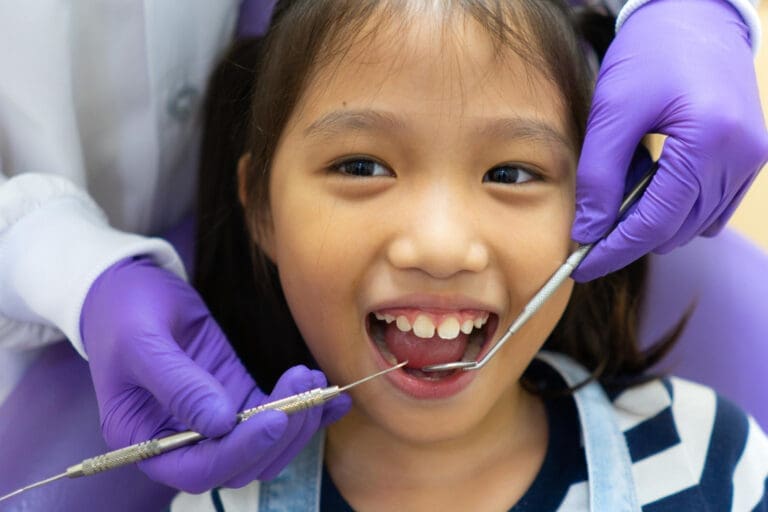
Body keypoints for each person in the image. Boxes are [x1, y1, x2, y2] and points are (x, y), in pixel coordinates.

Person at [0, 0, 765, 496]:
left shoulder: (705, 458)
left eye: (511, 171)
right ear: (259, 205)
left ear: (604, 203)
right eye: (361, 166)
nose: (439, 247)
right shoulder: (224, 502)